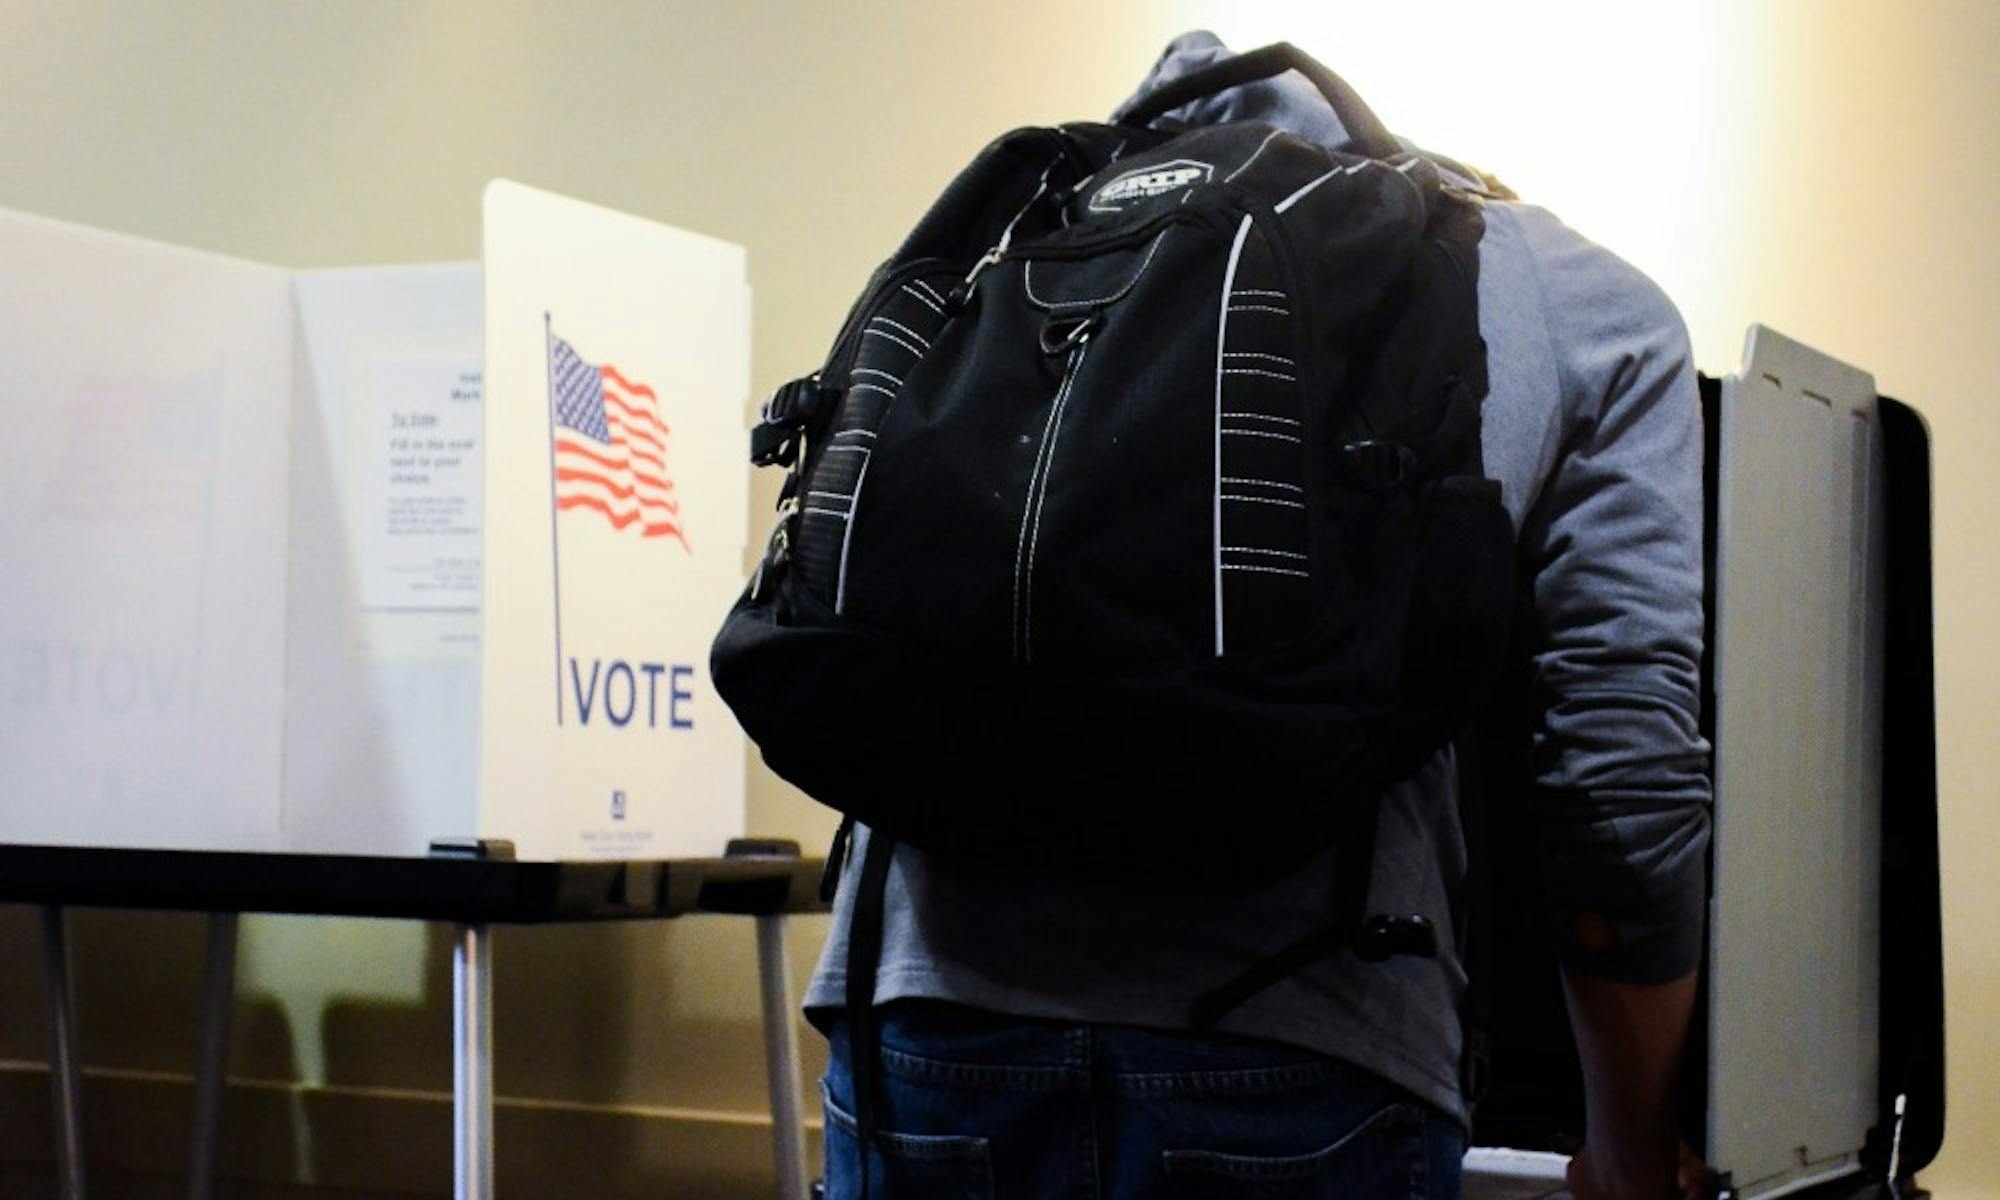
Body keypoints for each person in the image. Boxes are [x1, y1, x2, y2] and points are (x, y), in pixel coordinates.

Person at [803, 31, 1713, 1200]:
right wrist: (1627, 1145)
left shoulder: (1005, 237)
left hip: (918, 1029)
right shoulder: (1558, 289)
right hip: (1305, 1039)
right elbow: (1618, 770)